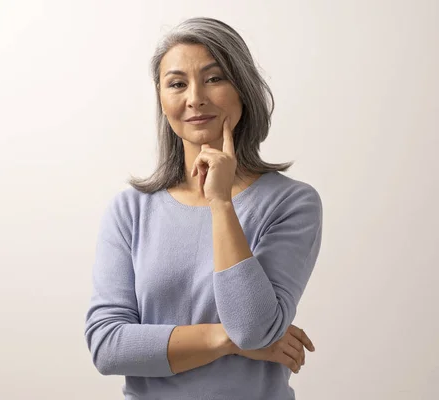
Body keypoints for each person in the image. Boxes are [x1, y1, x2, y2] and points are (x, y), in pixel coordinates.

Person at [84, 17, 323, 399]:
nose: (195, 97)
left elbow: (252, 328)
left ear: (243, 89)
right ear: (162, 101)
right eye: (177, 84)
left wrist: (221, 203)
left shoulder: (291, 203)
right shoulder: (130, 210)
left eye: (214, 78)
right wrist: (225, 340)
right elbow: (109, 346)